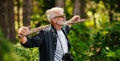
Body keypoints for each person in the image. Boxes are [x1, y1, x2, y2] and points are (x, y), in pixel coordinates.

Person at [18, 7, 84, 61]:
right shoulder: (45, 34)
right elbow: (28, 43)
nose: (64, 18)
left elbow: (67, 27)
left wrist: (72, 21)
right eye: (61, 16)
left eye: (64, 15)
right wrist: (21, 34)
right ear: (54, 20)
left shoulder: (63, 30)